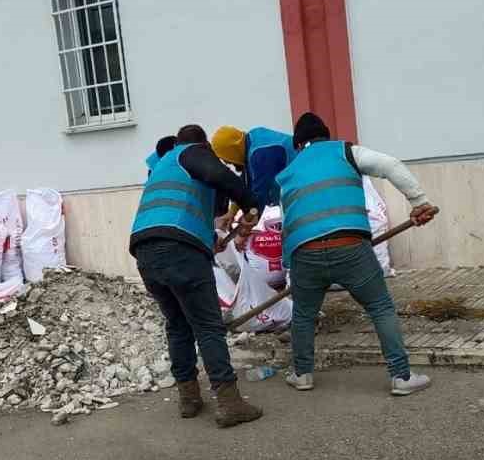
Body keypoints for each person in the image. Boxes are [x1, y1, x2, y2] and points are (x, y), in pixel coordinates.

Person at [278, 112, 439, 397]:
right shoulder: (346, 151)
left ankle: (302, 374)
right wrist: (419, 202)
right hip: (350, 247)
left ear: (299, 144)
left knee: (303, 315)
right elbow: (391, 165)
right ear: (325, 135)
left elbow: (287, 223)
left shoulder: (288, 172)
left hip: (306, 253)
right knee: (380, 307)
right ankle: (401, 377)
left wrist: (290, 266)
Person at [130, 124, 265, 428]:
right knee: (207, 325)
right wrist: (250, 203)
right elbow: (220, 177)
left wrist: (206, 239)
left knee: (178, 325)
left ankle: (188, 398)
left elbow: (181, 212)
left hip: (145, 251)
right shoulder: (191, 153)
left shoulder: (162, 167)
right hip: (179, 250)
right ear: (204, 146)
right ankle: (230, 404)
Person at [210, 125, 297, 208]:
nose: (226, 163)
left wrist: (253, 216)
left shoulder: (260, 154)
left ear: (231, 151)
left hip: (300, 187)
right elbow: (245, 182)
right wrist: (232, 212)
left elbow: (262, 196)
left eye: (225, 158)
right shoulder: (250, 140)